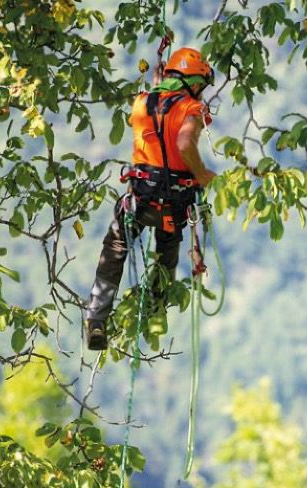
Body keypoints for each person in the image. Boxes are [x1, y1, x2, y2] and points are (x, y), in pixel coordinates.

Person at [84, 47, 216, 351]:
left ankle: (97, 319)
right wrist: (201, 173)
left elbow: (161, 108)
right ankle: (156, 314)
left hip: (140, 199)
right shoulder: (192, 108)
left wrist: (160, 77)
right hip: (173, 204)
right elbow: (184, 141)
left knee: (115, 248)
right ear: (194, 82)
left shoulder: (142, 102)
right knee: (167, 250)